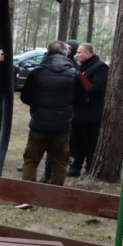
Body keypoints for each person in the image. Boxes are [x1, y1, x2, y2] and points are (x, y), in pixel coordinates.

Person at [18, 40, 86, 200]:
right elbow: (82, 100)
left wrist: (38, 105)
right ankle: (55, 199)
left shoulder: (37, 72)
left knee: (30, 160)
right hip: (62, 126)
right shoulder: (74, 74)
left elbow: (25, 96)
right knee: (60, 163)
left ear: (48, 53)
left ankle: (26, 197)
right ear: (65, 54)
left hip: (38, 124)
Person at [68, 43, 108, 178]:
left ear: (88, 53)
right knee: (77, 141)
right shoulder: (81, 66)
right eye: (77, 52)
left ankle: (90, 168)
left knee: (90, 142)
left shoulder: (100, 67)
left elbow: (98, 87)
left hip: (91, 112)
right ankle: (75, 167)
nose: (76, 55)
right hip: (78, 111)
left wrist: (80, 93)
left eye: (79, 52)